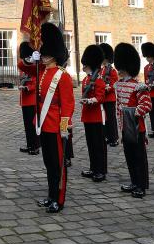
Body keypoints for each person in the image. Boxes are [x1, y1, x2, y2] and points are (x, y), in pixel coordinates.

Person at [34, 22, 75, 213]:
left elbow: (68, 105)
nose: (43, 57)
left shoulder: (62, 76)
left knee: (58, 165)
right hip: (44, 123)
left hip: (56, 125)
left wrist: (64, 126)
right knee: (48, 163)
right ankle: (50, 195)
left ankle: (59, 198)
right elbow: (24, 68)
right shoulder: (42, 72)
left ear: (53, 55)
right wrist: (30, 60)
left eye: (45, 55)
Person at [114, 42, 151, 198]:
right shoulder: (119, 84)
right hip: (125, 126)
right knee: (129, 156)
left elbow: (147, 105)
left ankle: (141, 185)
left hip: (137, 127)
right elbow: (118, 107)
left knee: (139, 157)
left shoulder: (139, 86)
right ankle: (134, 181)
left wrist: (132, 112)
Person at [78, 44, 107, 182]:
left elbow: (101, 97)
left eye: (85, 65)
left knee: (98, 144)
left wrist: (90, 101)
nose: (83, 67)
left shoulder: (99, 80)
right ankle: (93, 167)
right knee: (90, 144)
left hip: (96, 115)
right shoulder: (85, 80)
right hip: (88, 116)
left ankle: (100, 170)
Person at [18, 41, 40, 155]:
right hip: (25, 100)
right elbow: (21, 66)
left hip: (31, 99)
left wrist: (28, 88)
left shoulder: (34, 66)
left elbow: (37, 82)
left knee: (32, 125)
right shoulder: (24, 66)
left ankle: (35, 146)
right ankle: (29, 144)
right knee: (27, 125)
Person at [99, 43, 119, 147]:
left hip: (110, 98)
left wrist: (109, 87)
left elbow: (114, 83)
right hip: (103, 98)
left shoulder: (112, 70)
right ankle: (108, 136)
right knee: (105, 119)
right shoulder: (101, 70)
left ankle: (114, 138)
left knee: (111, 119)